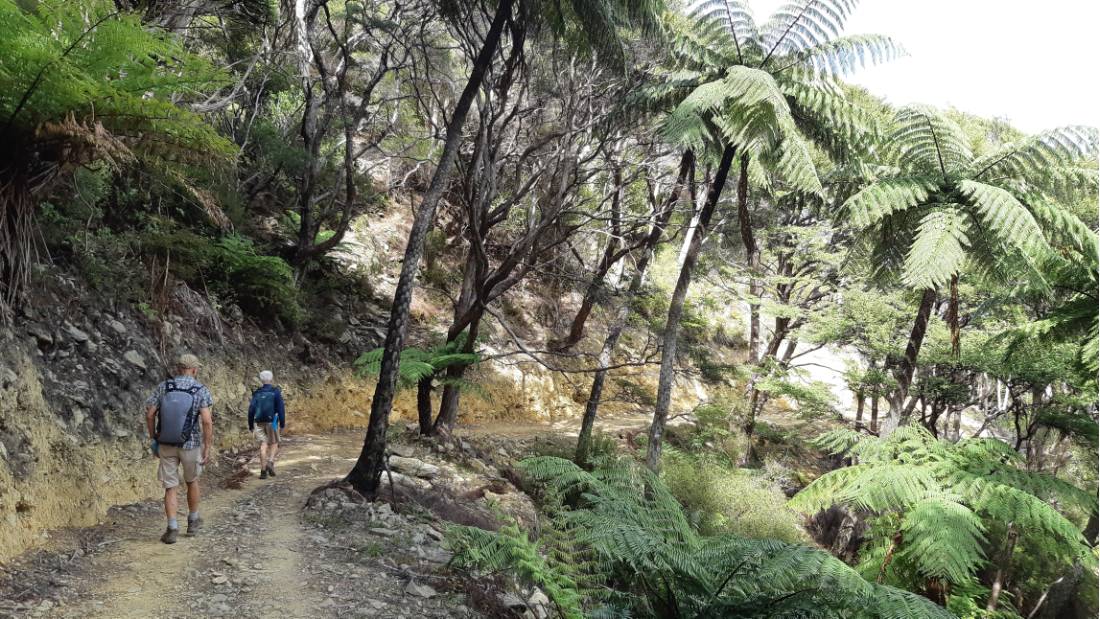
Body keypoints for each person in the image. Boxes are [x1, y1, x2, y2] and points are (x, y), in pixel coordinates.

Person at [144, 353, 214, 544]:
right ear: (194, 370)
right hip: (191, 444)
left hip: (166, 444)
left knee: (170, 487)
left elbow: (150, 414)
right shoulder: (200, 389)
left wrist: (153, 439)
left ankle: (172, 528)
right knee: (192, 481)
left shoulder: (164, 387)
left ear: (177, 369)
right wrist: (207, 446)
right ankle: (192, 521)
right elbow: (207, 421)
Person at [248, 370, 285, 479]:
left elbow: (251, 410)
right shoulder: (275, 392)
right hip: (272, 422)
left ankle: (263, 472)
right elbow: (281, 409)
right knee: (274, 443)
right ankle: (270, 461)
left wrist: (250, 425)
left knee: (263, 445)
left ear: (261, 380)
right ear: (271, 379)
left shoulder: (257, 393)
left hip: (259, 422)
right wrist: (282, 423)